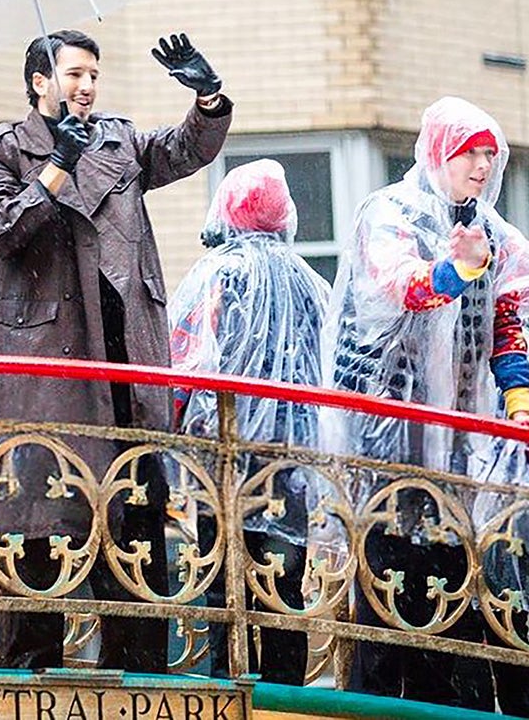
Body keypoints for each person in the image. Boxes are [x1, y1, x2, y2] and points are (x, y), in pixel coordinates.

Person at [0, 29, 233, 671]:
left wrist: (208, 98)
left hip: (126, 358)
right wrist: (56, 166)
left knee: (135, 523)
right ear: (40, 82)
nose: (86, 87)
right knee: (42, 522)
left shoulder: (119, 139)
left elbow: (185, 149)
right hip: (51, 367)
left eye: (93, 75)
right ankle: (29, 676)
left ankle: (141, 675)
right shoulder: (2, 149)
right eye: (74, 74)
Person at [323, 95, 529, 712]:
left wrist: (518, 397)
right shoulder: (390, 213)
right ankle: (380, 701)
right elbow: (398, 287)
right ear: (440, 152)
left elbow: (510, 322)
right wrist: (456, 270)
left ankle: (445, 702)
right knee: (388, 575)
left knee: (453, 580)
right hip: (392, 433)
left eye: (490, 155)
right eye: (471, 153)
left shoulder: (500, 237)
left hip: (463, 441)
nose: (483, 167)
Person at [168, 159, 330, 685]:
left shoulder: (217, 273)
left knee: (223, 576)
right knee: (283, 580)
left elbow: (186, 360)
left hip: (225, 453)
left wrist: (172, 439)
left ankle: (228, 680)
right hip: (290, 458)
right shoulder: (309, 281)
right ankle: (286, 695)